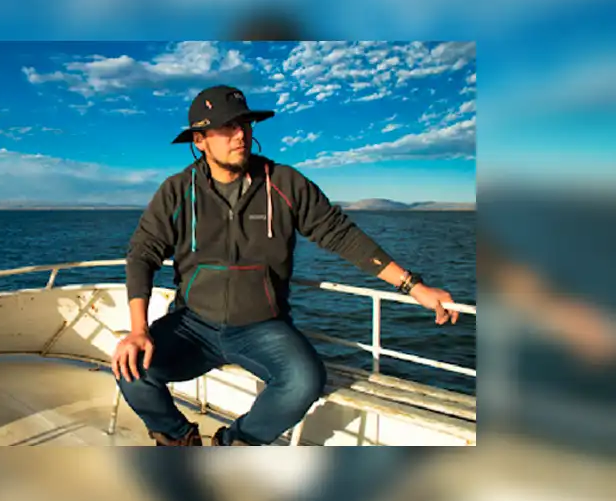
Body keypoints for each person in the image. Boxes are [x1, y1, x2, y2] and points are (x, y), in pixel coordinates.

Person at [111, 84, 460, 446]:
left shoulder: (284, 183)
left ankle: (232, 443)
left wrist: (414, 287)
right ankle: (179, 439)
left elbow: (343, 236)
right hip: (193, 324)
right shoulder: (178, 191)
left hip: (262, 327)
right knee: (131, 369)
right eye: (227, 128)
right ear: (200, 140)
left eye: (245, 124)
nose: (240, 134)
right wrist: (139, 329)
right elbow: (142, 253)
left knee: (304, 381)